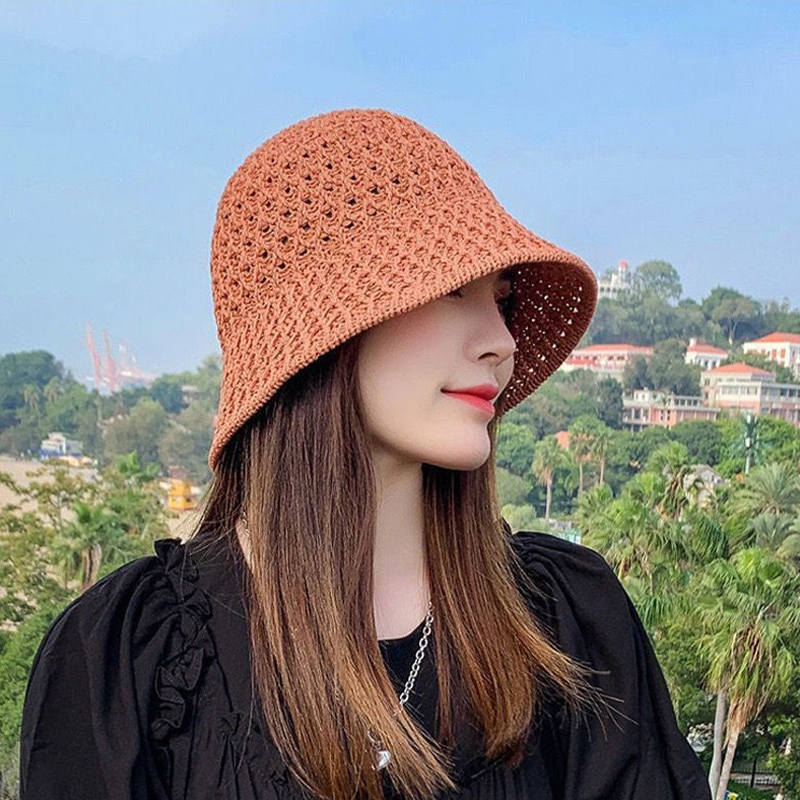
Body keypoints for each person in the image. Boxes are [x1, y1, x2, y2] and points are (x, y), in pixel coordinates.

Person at [19, 108, 711, 800]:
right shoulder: (133, 662)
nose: (500, 341)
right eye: (452, 290)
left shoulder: (566, 622)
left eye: (501, 302)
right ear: (322, 334)